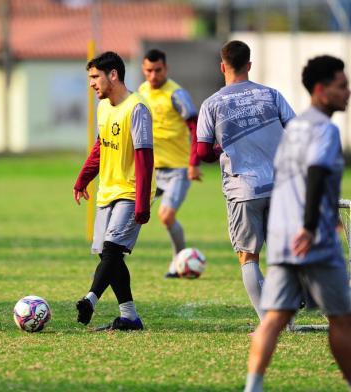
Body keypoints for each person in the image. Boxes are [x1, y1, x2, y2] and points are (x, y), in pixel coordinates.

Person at [244, 55, 351, 392]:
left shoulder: (295, 128)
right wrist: (310, 226)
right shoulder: (325, 129)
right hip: (313, 238)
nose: (348, 91)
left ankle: (253, 386)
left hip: (282, 236)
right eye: (342, 85)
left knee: (275, 317)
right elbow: (317, 173)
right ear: (321, 90)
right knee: (341, 318)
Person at [197, 40, 295, 323]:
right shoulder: (272, 95)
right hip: (280, 186)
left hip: (244, 189)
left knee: (248, 256)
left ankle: (269, 325)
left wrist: (221, 147)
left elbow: (203, 152)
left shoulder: (212, 103)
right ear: (249, 65)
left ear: (222, 66)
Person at [73, 51, 155, 331]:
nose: (92, 83)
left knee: (111, 251)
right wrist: (82, 179)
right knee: (109, 256)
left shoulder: (137, 108)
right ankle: (129, 317)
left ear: (113, 75)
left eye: (95, 77)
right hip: (107, 190)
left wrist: (143, 202)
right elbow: (100, 146)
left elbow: (144, 158)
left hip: (132, 192)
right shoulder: (104, 107)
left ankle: (90, 299)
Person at [138, 49, 202, 278]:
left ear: (166, 69)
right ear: (143, 70)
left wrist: (194, 162)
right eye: (148, 71)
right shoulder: (142, 92)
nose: (153, 76)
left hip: (178, 169)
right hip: (153, 170)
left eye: (158, 70)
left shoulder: (176, 94)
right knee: (132, 212)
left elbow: (195, 128)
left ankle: (178, 261)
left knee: (166, 216)